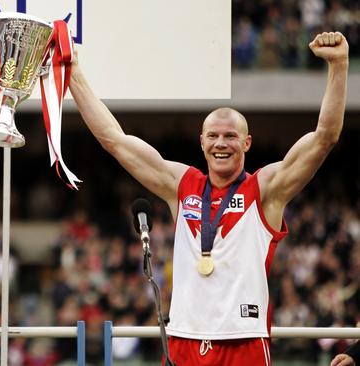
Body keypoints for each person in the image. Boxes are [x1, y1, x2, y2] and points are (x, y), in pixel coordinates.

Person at [70, 31, 349, 365]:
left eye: (231, 136)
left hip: (242, 340)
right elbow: (113, 139)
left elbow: (324, 138)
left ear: (247, 143)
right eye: (213, 136)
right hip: (183, 339)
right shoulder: (181, 184)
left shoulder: (265, 190)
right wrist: (73, 73)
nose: (221, 143)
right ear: (201, 141)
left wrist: (339, 66)